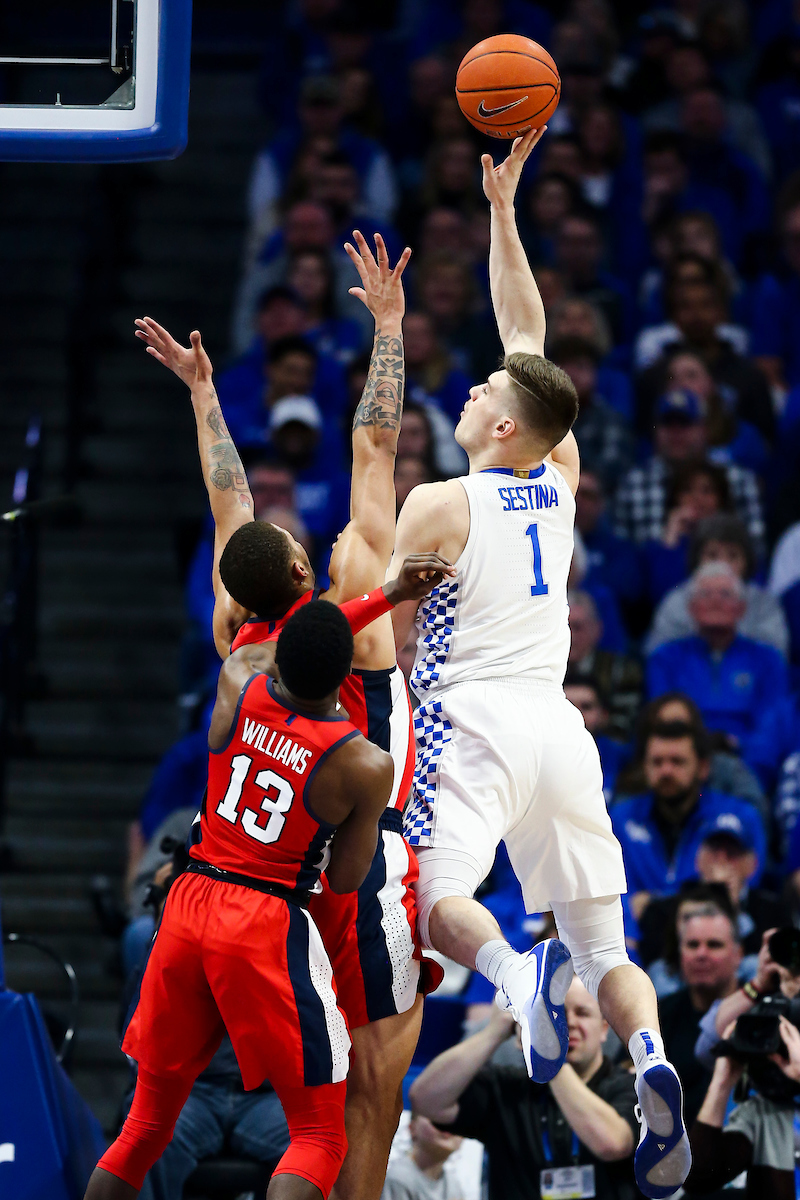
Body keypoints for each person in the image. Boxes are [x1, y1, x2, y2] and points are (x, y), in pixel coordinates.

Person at [389, 129, 690, 1198]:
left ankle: (518, 980)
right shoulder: (556, 472)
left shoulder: (437, 501)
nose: (467, 392)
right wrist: (502, 209)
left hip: (468, 720)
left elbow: (379, 622)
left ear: (503, 421)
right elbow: (527, 331)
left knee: (431, 899)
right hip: (559, 729)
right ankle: (651, 1059)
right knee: (606, 949)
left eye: (478, 391)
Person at [134, 232, 451, 1200]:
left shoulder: (238, 623)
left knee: (274, 1099)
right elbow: (373, 440)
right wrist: (388, 327)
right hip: (355, 860)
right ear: (306, 570)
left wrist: (200, 392)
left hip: (258, 883)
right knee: (368, 1094)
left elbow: (226, 493)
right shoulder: (360, 577)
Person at [82, 601, 395, 1200]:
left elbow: (276, 644)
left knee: (143, 1127)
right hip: (265, 917)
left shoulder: (241, 682)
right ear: (345, 674)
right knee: (319, 1136)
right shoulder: (364, 762)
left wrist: (376, 597)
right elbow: (350, 880)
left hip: (190, 896)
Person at [409, 979, 639, 1200]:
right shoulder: (506, 1086)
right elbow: (425, 1099)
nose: (568, 1022)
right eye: (555, 1013)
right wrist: (496, 1031)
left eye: (582, 1013)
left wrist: (549, 1059)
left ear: (603, 1029)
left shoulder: (630, 1087)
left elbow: (613, 1144)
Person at [611, 721, 766, 926]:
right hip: (634, 946)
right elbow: (611, 896)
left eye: (677, 762)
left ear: (703, 768)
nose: (666, 771)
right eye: (657, 762)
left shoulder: (740, 817)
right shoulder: (620, 819)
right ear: (644, 767)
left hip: (708, 941)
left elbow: (740, 894)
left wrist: (656, 905)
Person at [646, 563, 789, 742]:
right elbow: (663, 718)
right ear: (692, 607)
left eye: (725, 594)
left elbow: (771, 724)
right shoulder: (665, 659)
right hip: (684, 752)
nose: (716, 601)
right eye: (706, 594)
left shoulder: (768, 660)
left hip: (747, 757)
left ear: (741, 608)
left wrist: (738, 744)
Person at [613, 388, 765, 548]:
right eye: (668, 423)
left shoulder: (738, 480)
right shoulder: (632, 483)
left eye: (685, 423)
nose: (676, 432)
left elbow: (756, 549)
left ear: (704, 429)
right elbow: (621, 553)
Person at [646, 514, 789, 656]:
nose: (722, 564)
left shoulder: (764, 603)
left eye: (732, 556)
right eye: (712, 555)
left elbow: (775, 656)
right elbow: (658, 656)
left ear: (747, 562)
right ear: (696, 560)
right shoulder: (675, 602)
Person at [658, 908, 743, 1124]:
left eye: (714, 945)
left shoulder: (760, 1009)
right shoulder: (659, 1014)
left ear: (738, 955)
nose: (701, 954)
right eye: (692, 945)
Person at [567, 589, 643, 741]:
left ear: (596, 629)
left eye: (577, 627)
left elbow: (623, 729)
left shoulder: (623, 671)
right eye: (565, 627)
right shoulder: (539, 670)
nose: (571, 635)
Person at [380, 1115, 463, 1200]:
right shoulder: (398, 1180)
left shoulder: (453, 1185)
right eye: (436, 1118)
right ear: (412, 1128)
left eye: (455, 1121)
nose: (447, 1126)